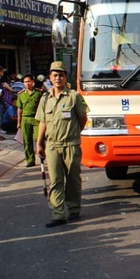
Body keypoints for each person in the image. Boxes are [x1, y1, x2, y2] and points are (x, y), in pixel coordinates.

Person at [36, 61, 89, 228]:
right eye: (54, 75)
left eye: (61, 75)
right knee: (55, 181)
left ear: (65, 77)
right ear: (50, 78)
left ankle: (74, 209)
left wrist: (73, 134)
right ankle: (58, 214)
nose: (58, 78)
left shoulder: (74, 97)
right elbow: (42, 123)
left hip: (71, 144)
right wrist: (39, 144)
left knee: (73, 179)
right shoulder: (45, 98)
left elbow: (82, 119)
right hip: (52, 145)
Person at [18, 74, 43, 167]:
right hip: (25, 119)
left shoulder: (39, 93)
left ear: (33, 82)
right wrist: (18, 122)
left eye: (29, 81)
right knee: (27, 140)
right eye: (25, 82)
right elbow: (19, 109)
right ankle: (30, 160)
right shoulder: (21, 95)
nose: (27, 83)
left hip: (36, 118)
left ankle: (41, 155)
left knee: (38, 138)